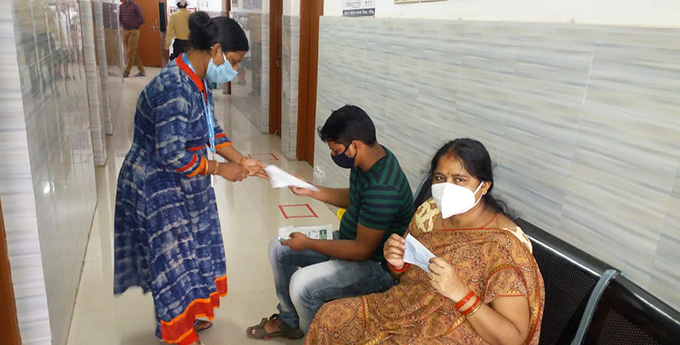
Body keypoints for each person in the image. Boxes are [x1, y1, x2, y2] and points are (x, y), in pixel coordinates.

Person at [113, 11, 267, 345]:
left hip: (182, 181)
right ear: (215, 50)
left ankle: (185, 317)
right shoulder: (174, 87)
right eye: (235, 61)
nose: (236, 70)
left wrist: (242, 159)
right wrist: (220, 169)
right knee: (173, 261)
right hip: (156, 185)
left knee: (194, 251)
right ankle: (177, 334)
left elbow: (211, 130)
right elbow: (171, 154)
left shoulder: (197, 80)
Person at [305, 138, 545, 345]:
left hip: (463, 331)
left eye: (459, 179)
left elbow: (513, 337)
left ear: (484, 187)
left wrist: (461, 293)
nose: (446, 187)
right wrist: (397, 262)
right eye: (440, 177)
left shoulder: (504, 244)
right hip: (408, 308)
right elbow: (407, 276)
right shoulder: (430, 212)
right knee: (331, 316)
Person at [247, 105, 416, 339]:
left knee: (301, 286)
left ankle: (316, 337)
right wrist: (310, 190)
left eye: (336, 150)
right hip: (350, 242)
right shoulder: (371, 158)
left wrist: (308, 243)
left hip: (375, 266)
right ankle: (289, 320)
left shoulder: (383, 188)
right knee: (278, 247)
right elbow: (354, 196)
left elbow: (361, 251)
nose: (334, 156)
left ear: (355, 145)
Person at [119, 0, 146, 77]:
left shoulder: (135, 6)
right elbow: (120, 18)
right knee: (132, 52)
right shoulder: (121, 6)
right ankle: (142, 71)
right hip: (125, 30)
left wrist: (134, 24)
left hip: (134, 31)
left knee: (130, 53)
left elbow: (142, 19)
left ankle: (126, 72)